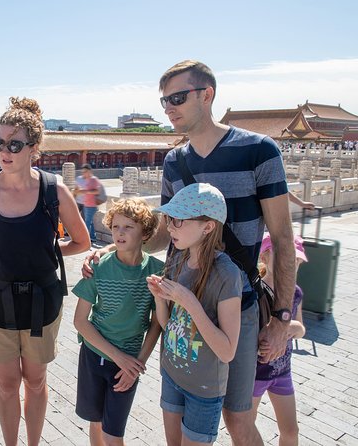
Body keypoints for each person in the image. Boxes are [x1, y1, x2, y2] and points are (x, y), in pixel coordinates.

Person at [84, 60, 296, 445]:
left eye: (177, 98)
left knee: (238, 417)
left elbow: (281, 238)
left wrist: (282, 317)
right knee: (178, 416)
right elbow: (167, 232)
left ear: (207, 94)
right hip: (180, 309)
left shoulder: (259, 151)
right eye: (164, 101)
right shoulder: (174, 161)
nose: (168, 108)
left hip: (237, 302)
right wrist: (112, 250)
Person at [0, 97, 90, 446]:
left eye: (14, 144)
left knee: (35, 381)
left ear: (33, 148)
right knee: (6, 385)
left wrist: (48, 249)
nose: (5, 151)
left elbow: (81, 241)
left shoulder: (53, 191)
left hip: (42, 306)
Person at [146, 183, 242, 445]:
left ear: (208, 226)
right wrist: (159, 296)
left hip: (204, 389)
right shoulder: (177, 259)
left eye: (178, 220)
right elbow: (168, 326)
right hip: (172, 374)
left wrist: (188, 301)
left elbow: (227, 351)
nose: (169, 227)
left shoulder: (227, 274)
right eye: (169, 219)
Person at [72, 198, 163, 445]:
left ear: (145, 232)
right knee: (96, 421)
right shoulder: (98, 267)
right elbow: (80, 321)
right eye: (115, 227)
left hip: (129, 363)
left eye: (128, 227)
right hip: (93, 354)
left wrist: (137, 364)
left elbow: (157, 324)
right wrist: (117, 355)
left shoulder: (156, 271)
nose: (119, 233)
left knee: (114, 434)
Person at [251, 233, 307, 446]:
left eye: (296, 262)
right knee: (246, 425)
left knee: (291, 431)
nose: (291, 266)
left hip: (283, 373)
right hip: (255, 374)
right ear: (264, 258)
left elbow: (301, 329)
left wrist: (293, 327)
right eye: (285, 259)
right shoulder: (256, 293)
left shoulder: (296, 293)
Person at [78, 164, 102, 242]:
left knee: (87, 222)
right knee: (90, 222)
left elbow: (98, 191)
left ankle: (84, 240)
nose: (83, 173)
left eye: (85, 172)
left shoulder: (94, 179)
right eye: (82, 172)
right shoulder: (87, 180)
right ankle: (93, 237)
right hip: (86, 204)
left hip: (91, 205)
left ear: (89, 171)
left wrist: (85, 191)